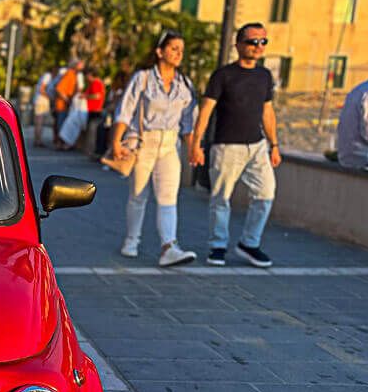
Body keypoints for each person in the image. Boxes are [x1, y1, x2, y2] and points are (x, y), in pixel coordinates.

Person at [188, 22, 280, 268]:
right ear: (239, 45)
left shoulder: (264, 75)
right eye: (252, 41)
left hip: (257, 145)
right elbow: (206, 110)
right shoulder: (224, 75)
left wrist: (275, 144)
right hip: (226, 145)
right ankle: (218, 245)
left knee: (266, 193)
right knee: (221, 198)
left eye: (263, 42)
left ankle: (250, 243)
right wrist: (196, 144)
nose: (257, 46)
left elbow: (267, 112)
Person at [110, 31, 198, 267]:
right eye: (173, 48)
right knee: (138, 195)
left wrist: (193, 148)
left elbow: (189, 121)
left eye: (181, 49)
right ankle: (132, 240)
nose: (179, 53)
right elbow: (125, 110)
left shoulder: (185, 85)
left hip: (170, 145)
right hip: (143, 142)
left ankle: (169, 246)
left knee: (168, 197)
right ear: (160, 52)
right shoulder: (144, 78)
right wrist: (116, 141)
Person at [52, 61, 83, 149]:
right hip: (62, 105)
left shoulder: (74, 75)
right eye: (80, 66)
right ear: (75, 66)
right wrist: (67, 100)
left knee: (62, 124)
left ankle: (61, 144)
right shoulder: (69, 74)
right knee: (61, 124)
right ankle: (59, 144)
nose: (81, 69)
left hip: (65, 105)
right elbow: (59, 89)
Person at [81, 69, 106, 157]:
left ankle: (90, 151)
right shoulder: (95, 83)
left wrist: (85, 96)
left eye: (87, 75)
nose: (86, 78)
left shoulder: (96, 83)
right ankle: (89, 150)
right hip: (92, 109)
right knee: (91, 130)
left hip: (95, 110)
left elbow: (97, 95)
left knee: (92, 131)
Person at [32, 69, 54, 146]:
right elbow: (42, 89)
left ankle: (37, 140)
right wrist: (50, 97)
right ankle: (38, 141)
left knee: (38, 122)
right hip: (42, 101)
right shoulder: (48, 76)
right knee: (39, 122)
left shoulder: (46, 76)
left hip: (40, 100)